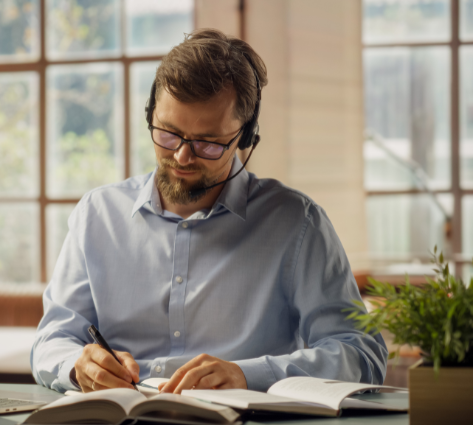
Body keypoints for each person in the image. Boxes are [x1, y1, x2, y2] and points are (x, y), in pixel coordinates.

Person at [30, 28, 387, 395]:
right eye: (168, 134)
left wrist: (248, 375)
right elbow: (52, 340)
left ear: (245, 137)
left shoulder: (297, 223)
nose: (182, 157)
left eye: (208, 144)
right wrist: (78, 365)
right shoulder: (97, 215)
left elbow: (363, 354)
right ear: (150, 115)